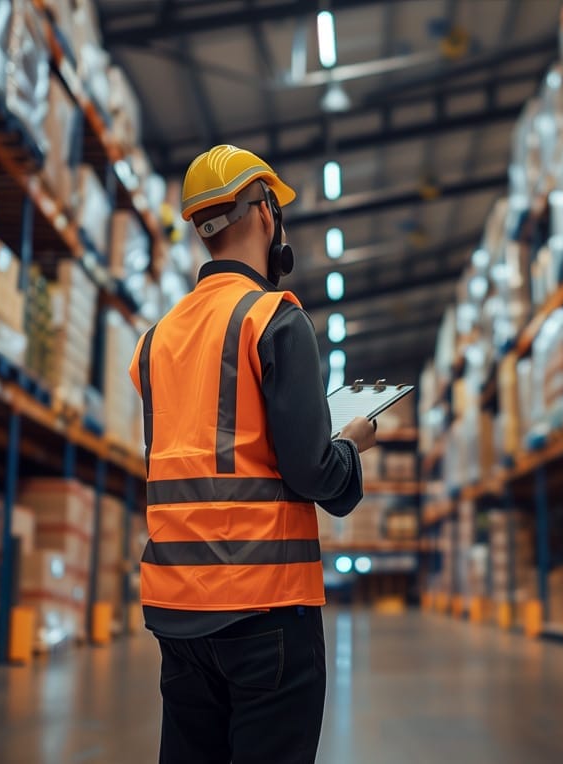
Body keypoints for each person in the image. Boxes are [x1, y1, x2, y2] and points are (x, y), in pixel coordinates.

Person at [128, 145, 377, 764]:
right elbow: (311, 469)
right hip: (265, 611)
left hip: (179, 611)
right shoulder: (273, 318)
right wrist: (350, 446)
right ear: (266, 212)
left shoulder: (157, 340)